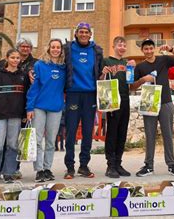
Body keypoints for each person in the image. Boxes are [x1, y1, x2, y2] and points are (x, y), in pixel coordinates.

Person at [131, 39, 174, 177]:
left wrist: (171, 49)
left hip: (165, 102)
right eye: (146, 49)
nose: (149, 51)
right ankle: (148, 166)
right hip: (149, 102)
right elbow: (132, 87)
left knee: (168, 135)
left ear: (154, 48)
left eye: (151, 48)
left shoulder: (164, 60)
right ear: (142, 51)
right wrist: (143, 80)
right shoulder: (140, 67)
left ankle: (172, 164)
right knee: (150, 136)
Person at [63, 22, 104, 179]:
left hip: (90, 95)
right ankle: (70, 167)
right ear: (76, 33)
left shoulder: (96, 50)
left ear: (90, 34)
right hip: (73, 94)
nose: (84, 34)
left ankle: (84, 166)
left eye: (86, 32)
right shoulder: (67, 48)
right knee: (71, 131)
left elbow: (99, 71)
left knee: (88, 132)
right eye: (81, 31)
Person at [0, 49, 29, 183]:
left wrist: (24, 114)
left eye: (17, 58)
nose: (15, 60)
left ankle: (9, 173)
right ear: (7, 58)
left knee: (12, 145)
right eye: (12, 57)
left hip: (16, 116)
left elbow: (26, 96)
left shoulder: (23, 76)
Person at [26, 39, 66, 182]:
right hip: (39, 107)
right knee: (37, 140)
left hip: (56, 108)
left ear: (61, 50)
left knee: (50, 141)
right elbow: (34, 87)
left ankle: (47, 168)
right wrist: (29, 107)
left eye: (58, 47)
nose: (56, 49)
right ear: (48, 48)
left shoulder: (64, 67)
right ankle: (39, 170)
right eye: (53, 47)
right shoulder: (40, 65)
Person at [101, 36, 135, 178]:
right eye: (119, 45)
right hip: (112, 99)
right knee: (112, 132)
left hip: (125, 99)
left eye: (124, 45)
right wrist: (103, 73)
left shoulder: (127, 63)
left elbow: (131, 83)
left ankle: (118, 163)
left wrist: (133, 68)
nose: (122, 48)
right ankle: (110, 165)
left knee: (122, 133)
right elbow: (100, 81)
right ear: (114, 46)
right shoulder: (106, 61)